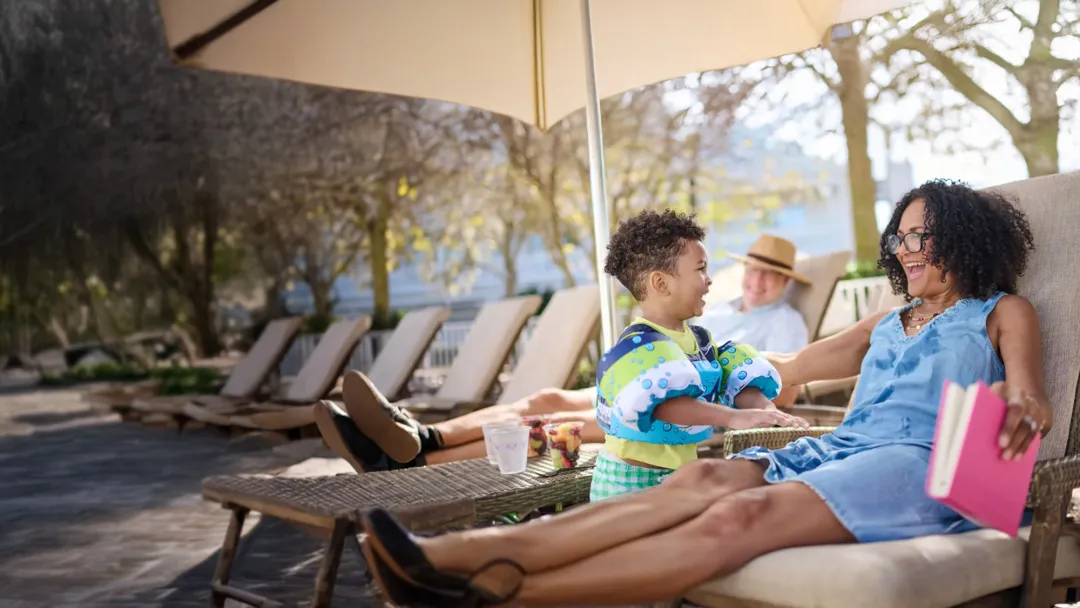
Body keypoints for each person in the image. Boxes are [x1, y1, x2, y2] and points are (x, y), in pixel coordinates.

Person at [357, 179, 1053, 607]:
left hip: (918, 466)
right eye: (897, 236)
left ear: (958, 238)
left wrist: (1025, 409)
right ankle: (447, 557)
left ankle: (492, 595)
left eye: (919, 235)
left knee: (732, 522)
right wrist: (664, 376)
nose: (903, 249)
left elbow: (1029, 396)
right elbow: (786, 368)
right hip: (841, 449)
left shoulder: (999, 311)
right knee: (709, 478)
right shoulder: (886, 321)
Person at [315, 234, 817, 472]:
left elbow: (785, 385)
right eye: (753, 268)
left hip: (679, 409)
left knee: (554, 423)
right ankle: (422, 434)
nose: (757, 279)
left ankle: (413, 463)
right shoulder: (717, 303)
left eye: (770, 275)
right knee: (546, 397)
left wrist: (746, 403)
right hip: (652, 378)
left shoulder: (784, 320)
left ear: (784, 283)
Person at [589, 209, 803, 500]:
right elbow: (668, 403)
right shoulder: (640, 343)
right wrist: (732, 418)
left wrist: (766, 410)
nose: (709, 279)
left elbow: (732, 380)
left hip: (678, 475)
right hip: (630, 481)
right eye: (700, 269)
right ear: (661, 283)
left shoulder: (699, 341)